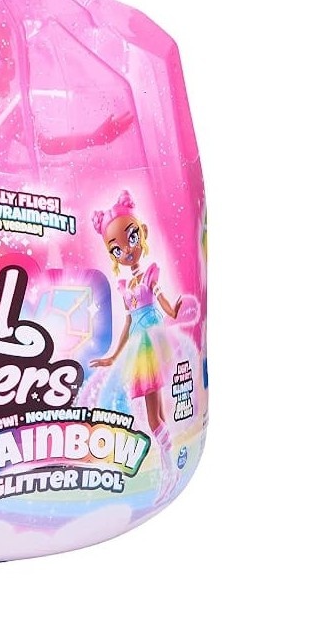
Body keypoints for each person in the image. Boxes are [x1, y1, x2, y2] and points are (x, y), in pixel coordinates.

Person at [89, 190, 182, 503]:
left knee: (155, 417)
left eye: (131, 238)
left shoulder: (149, 274)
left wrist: (172, 311)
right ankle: (169, 470)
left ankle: (170, 471)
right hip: (139, 347)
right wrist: (114, 356)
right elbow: (128, 323)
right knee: (156, 414)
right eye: (117, 249)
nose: (127, 250)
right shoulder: (124, 285)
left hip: (152, 343)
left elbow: (161, 298)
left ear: (142, 233)